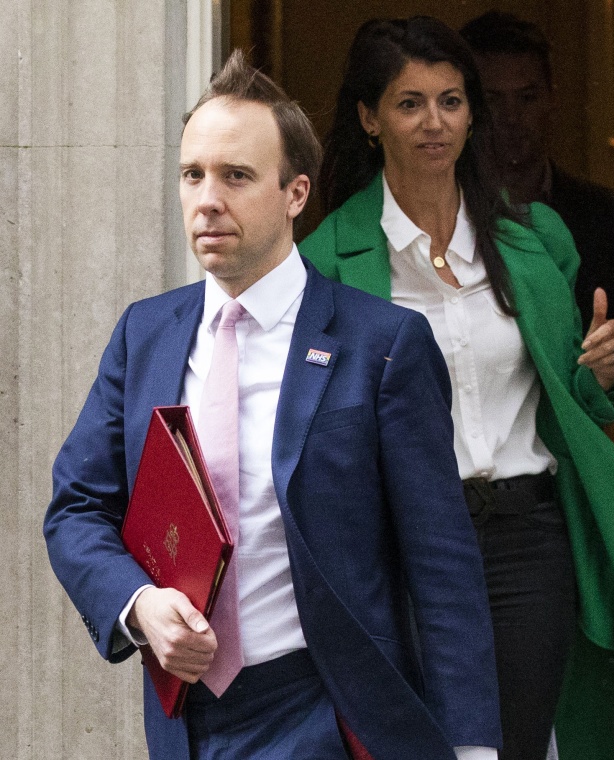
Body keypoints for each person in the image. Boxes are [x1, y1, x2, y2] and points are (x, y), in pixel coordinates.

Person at [43, 50, 502, 760]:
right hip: (186, 719)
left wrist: (473, 747)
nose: (207, 199)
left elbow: (442, 566)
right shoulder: (145, 335)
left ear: (295, 194)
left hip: (328, 711)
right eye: (192, 175)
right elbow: (77, 507)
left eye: (235, 176)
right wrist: (138, 606)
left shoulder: (381, 344)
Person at [300, 16, 614, 760]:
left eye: (451, 100)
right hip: (405, 544)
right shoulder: (328, 263)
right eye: (409, 104)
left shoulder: (533, 241)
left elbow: (566, 400)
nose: (434, 123)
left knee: (514, 746)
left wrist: (596, 376)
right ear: (370, 118)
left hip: (528, 540)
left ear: (471, 113)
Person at [459, 11, 614, 525]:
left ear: (552, 100)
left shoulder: (610, 220)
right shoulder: (439, 226)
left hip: (589, 493)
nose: (512, 118)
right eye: (493, 100)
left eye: (528, 97)